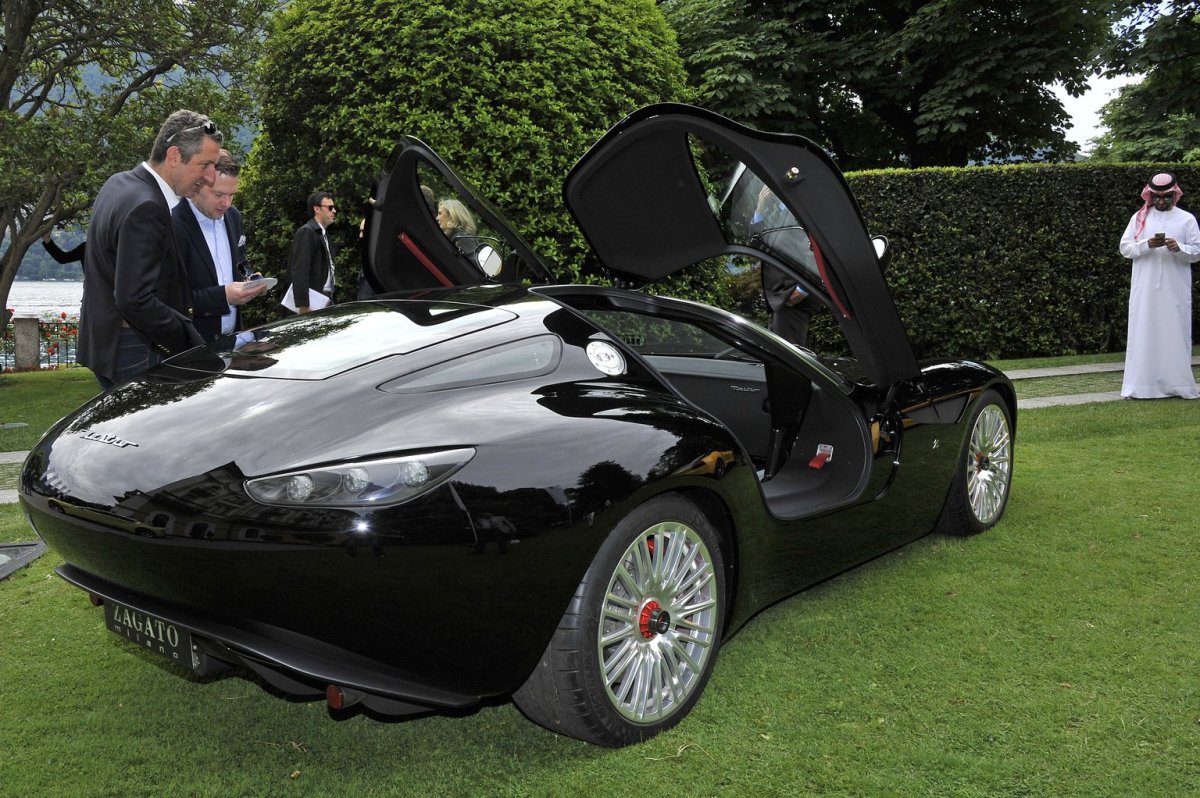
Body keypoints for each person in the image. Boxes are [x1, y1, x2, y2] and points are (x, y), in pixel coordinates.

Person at [77, 110, 219, 389]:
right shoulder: (147, 206)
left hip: (106, 343)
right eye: (205, 165)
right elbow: (134, 299)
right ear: (175, 156)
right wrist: (187, 340)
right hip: (137, 347)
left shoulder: (118, 183)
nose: (211, 176)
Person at [1117, 172, 1200, 399]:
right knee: (1144, 331)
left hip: (1175, 289)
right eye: (1157, 197)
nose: (1161, 202)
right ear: (1150, 196)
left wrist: (1178, 247)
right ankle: (1141, 387)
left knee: (1175, 332)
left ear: (1175, 195)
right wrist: (1147, 244)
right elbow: (1125, 248)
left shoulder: (1186, 219)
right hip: (1145, 290)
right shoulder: (1139, 218)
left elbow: (1197, 252)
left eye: (1166, 197)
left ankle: (1179, 386)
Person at [172, 150, 268, 343]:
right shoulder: (173, 224)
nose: (227, 203)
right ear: (197, 184)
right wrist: (223, 296)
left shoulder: (234, 217)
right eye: (219, 194)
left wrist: (250, 279)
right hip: (192, 348)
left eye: (232, 195)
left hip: (234, 341)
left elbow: (241, 262)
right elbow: (171, 298)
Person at [286, 191, 337, 314]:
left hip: (324, 298)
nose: (334, 211)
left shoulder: (324, 235)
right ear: (317, 209)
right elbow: (300, 270)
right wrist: (303, 304)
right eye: (330, 207)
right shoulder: (307, 232)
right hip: (312, 301)